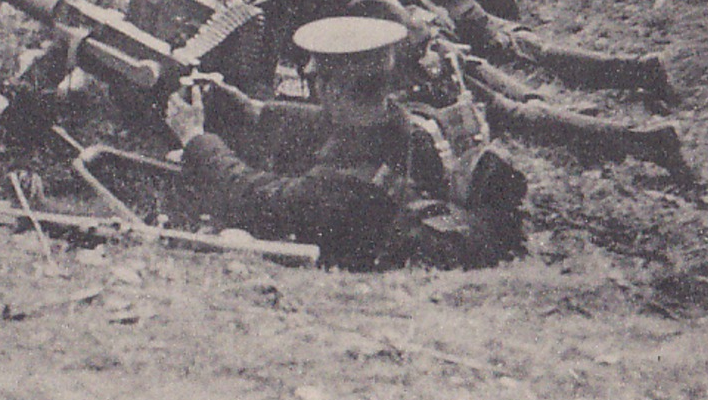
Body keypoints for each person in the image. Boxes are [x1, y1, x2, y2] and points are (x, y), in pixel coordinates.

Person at [165, 16, 527, 270]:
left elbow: (255, 195)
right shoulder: (410, 124)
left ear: (332, 91)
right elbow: (336, 123)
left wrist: (195, 138)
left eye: (318, 83)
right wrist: (257, 111)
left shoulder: (336, 188)